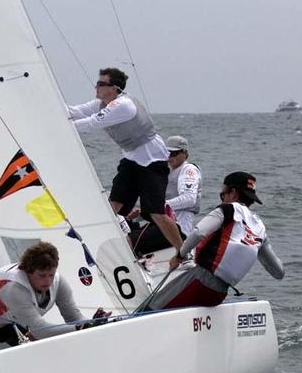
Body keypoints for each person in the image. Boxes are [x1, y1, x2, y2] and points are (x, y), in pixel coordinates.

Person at [67, 67, 183, 254]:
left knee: (156, 213)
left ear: (114, 88)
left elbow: (92, 123)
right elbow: (74, 111)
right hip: (131, 159)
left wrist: (61, 127)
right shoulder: (101, 103)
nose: (96, 87)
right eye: (97, 83)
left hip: (153, 160)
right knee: (112, 208)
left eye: (101, 84)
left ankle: (183, 252)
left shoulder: (123, 105)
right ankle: (109, 254)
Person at [144, 171, 284, 311]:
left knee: (148, 310)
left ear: (233, 192)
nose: (222, 198)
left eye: (222, 194)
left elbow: (198, 233)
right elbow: (278, 272)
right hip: (218, 294)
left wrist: (179, 256)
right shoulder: (259, 227)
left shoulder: (227, 210)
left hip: (199, 282)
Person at [0, 242, 109, 352]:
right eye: (41, 275)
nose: (47, 281)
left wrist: (92, 323)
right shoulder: (14, 288)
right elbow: (39, 330)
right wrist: (80, 327)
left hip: (17, 324)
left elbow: (73, 316)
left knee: (42, 346)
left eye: (51, 274)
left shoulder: (58, 281)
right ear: (28, 271)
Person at [127, 135, 202, 254]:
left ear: (185, 153)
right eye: (168, 153)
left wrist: (158, 206)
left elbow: (189, 199)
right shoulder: (168, 171)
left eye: (174, 153)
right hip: (163, 225)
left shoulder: (188, 170)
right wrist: (139, 214)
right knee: (125, 228)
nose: (170, 157)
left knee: (128, 241)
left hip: (178, 229)